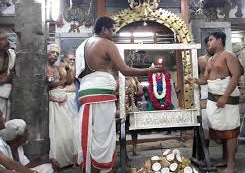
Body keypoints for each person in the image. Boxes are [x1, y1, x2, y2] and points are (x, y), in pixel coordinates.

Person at [75, 16, 164, 173]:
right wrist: (148, 70)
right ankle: (102, 170)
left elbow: (79, 74)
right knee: (103, 139)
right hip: (101, 93)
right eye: (112, 30)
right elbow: (125, 70)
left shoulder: (83, 45)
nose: (114, 33)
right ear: (104, 29)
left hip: (86, 93)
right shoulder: (106, 43)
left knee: (91, 135)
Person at [187, 32, 242, 173]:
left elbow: (235, 76)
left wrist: (225, 96)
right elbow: (205, 79)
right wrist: (195, 80)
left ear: (220, 40)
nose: (208, 43)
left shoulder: (228, 55)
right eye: (207, 41)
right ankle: (224, 159)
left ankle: (231, 164)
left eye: (211, 40)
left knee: (230, 131)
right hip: (213, 97)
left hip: (226, 97)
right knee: (220, 129)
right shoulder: (211, 60)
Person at [47, 44, 76, 168]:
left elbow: (69, 82)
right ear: (46, 53)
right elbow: (42, 89)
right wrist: (54, 98)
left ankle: (68, 160)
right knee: (56, 132)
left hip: (62, 100)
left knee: (68, 129)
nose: (54, 55)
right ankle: (58, 161)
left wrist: (69, 70)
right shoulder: (42, 66)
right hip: (53, 102)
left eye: (57, 54)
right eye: (52, 52)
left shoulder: (56, 67)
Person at [0, 30, 15, 121]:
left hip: (6, 94)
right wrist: (5, 79)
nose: (6, 42)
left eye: (6, 39)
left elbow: (14, 73)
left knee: (5, 122)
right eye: (2, 39)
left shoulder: (11, 54)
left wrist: (7, 79)